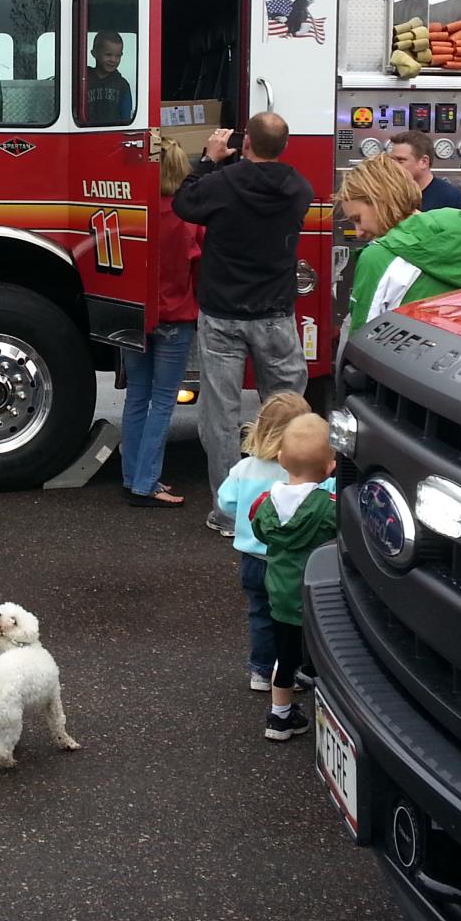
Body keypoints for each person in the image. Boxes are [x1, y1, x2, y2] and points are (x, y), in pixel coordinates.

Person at [172, 112, 314, 535]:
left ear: (245, 140)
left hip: (222, 317)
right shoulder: (298, 188)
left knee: (220, 415)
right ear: (284, 146)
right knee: (287, 409)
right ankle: (292, 503)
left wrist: (210, 159)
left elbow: (184, 202)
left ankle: (229, 514)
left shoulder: (222, 182)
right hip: (275, 316)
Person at [335, 155, 461, 340]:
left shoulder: (378, 257)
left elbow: (363, 341)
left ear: (380, 201)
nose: (358, 233)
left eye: (358, 219)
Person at [119, 138, 202, 506]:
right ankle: (147, 483)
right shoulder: (187, 217)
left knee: (137, 396)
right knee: (164, 400)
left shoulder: (136, 210)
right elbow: (198, 265)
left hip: (135, 313)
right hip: (176, 314)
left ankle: (131, 476)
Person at [247, 414, 339, 742]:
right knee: (324, 660)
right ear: (331, 468)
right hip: (316, 600)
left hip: (279, 597)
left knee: (284, 659)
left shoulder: (265, 505)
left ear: (282, 459)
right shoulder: (329, 508)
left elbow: (258, 528)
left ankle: (279, 717)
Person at [219, 392, 314, 690]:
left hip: (251, 559)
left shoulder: (244, 468)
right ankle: (288, 670)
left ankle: (260, 671)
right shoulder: (300, 472)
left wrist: (247, 520)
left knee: (260, 614)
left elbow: (225, 502)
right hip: (288, 560)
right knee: (291, 617)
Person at [386, 130, 461, 214]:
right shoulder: (390, 195)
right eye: (392, 160)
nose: (393, 165)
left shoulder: (451, 200)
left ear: (424, 162)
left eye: (400, 160)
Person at [84, 29, 135, 124]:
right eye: (108, 55)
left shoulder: (122, 85)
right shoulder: (83, 80)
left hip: (112, 134)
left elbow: (126, 119)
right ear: (94, 53)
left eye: (118, 56)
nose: (113, 60)